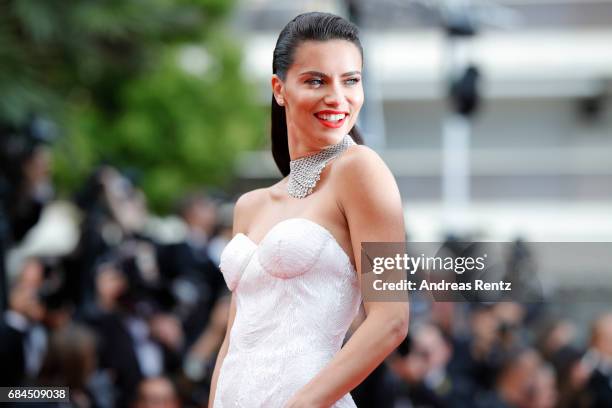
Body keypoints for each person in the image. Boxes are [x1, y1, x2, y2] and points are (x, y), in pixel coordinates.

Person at [209, 11, 408, 408]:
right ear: (279, 89)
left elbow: (391, 320)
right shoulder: (249, 207)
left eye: (350, 80)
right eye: (316, 80)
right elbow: (235, 339)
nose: (337, 97)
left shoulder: (362, 170)